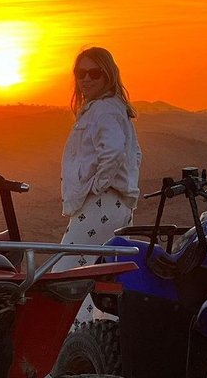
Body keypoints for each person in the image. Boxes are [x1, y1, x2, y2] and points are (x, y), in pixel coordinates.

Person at [54, 47, 141, 325]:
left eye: (95, 73)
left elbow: (114, 152)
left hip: (101, 205)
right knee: (91, 275)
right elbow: (136, 154)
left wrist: (97, 186)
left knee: (65, 278)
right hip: (111, 205)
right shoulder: (110, 108)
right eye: (81, 73)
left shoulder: (104, 109)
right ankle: (90, 339)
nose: (86, 79)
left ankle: (68, 344)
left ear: (108, 75)